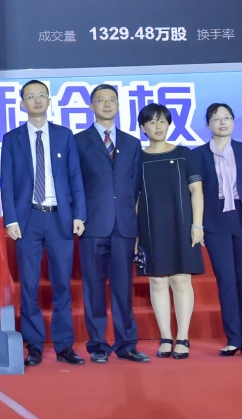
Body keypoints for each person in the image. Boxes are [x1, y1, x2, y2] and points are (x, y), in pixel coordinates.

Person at [0, 80, 87, 367]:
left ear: (49, 101)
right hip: (28, 219)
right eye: (30, 96)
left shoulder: (64, 135)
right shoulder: (12, 139)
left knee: (63, 284)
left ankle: (64, 345)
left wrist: (79, 215)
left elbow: (75, 178)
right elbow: (6, 182)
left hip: (60, 217)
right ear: (21, 103)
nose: (37, 100)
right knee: (29, 285)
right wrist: (11, 219)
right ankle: (34, 345)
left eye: (42, 96)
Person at [74, 84, 149, 363]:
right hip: (93, 224)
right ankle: (97, 345)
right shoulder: (78, 141)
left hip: (125, 224)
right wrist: (79, 216)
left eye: (112, 100)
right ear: (91, 106)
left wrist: (137, 224)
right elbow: (75, 184)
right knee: (93, 287)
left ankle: (126, 344)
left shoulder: (132, 143)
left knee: (123, 288)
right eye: (100, 100)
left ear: (118, 105)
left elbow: (136, 185)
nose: (107, 104)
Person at [191, 103, 242, 358]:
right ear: (208, 124)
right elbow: (195, 193)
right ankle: (233, 339)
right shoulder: (198, 155)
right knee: (226, 281)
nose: (222, 122)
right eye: (216, 119)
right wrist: (198, 225)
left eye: (227, 118)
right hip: (215, 222)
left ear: (234, 121)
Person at [136, 103, 205, 359]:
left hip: (182, 224)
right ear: (143, 127)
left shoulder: (184, 153)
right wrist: (136, 234)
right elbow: (135, 198)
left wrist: (197, 225)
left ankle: (183, 337)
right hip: (150, 225)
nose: (158, 126)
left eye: (163, 121)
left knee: (181, 280)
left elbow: (196, 191)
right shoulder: (138, 158)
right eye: (152, 122)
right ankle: (166, 336)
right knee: (157, 280)